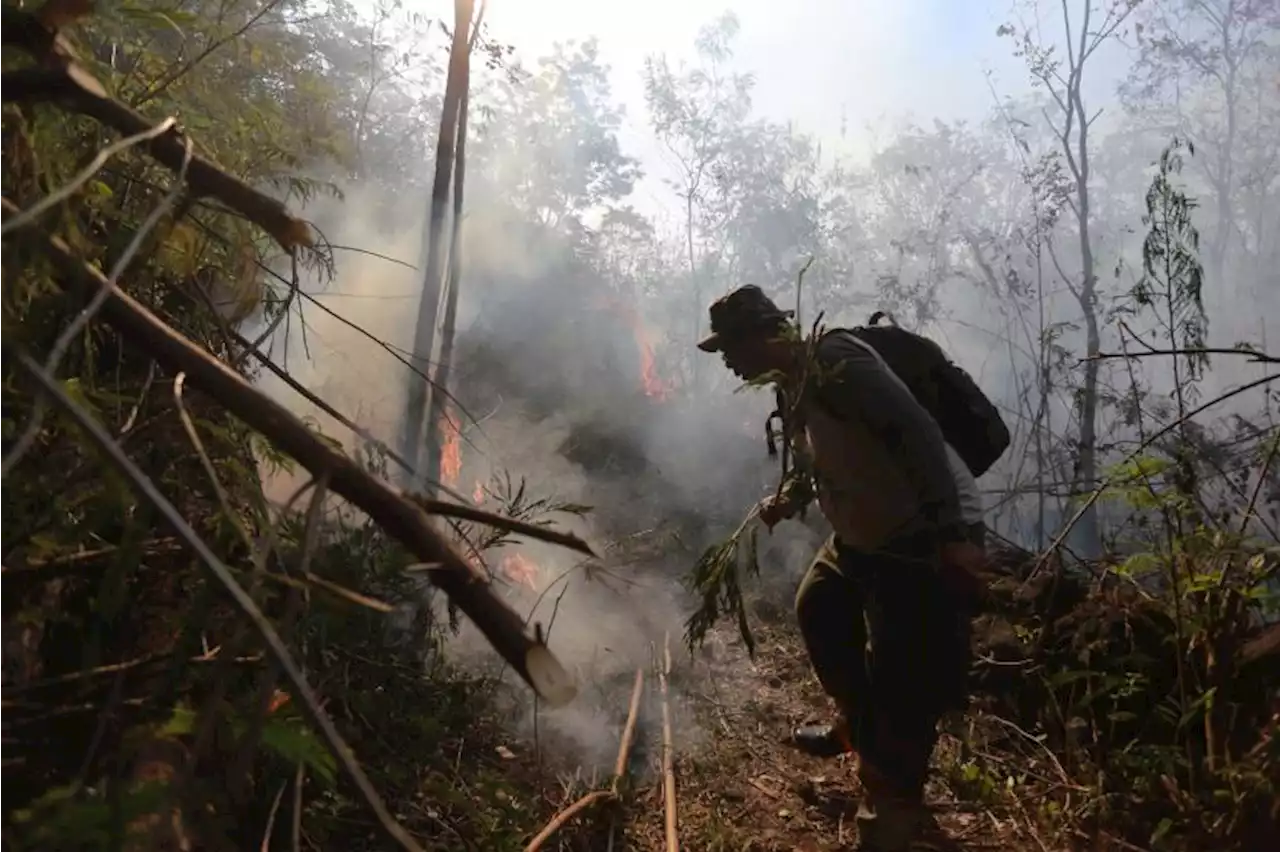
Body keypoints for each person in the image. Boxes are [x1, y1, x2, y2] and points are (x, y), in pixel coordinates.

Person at [697, 285, 988, 852]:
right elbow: (828, 458)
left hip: (918, 536)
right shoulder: (795, 384)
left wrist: (953, 536)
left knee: (905, 682)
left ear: (764, 333)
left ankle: (891, 811)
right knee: (821, 608)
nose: (728, 359)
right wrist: (791, 497)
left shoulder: (836, 362)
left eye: (731, 346)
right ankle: (859, 724)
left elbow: (918, 434)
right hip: (863, 535)